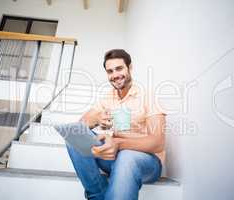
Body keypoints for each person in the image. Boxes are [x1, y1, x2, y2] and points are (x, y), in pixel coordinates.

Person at [66, 49, 166, 200]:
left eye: (119, 68)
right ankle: (97, 195)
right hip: (113, 157)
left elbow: (157, 143)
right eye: (110, 71)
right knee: (74, 133)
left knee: (127, 156)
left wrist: (119, 143)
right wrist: (97, 119)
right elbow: (80, 126)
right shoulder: (108, 98)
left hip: (147, 162)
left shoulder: (147, 95)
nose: (115, 75)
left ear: (129, 68)